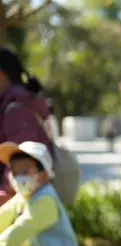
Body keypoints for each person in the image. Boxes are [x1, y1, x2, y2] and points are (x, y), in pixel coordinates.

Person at [0, 48, 51, 206]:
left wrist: (3, 195)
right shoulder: (14, 104)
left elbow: (21, 164)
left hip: (22, 209)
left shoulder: (17, 111)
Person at [0, 141, 78, 246]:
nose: (18, 177)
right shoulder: (23, 196)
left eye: (25, 172)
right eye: (14, 172)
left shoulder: (46, 201)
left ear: (43, 175)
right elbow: (3, 215)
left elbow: (20, 230)